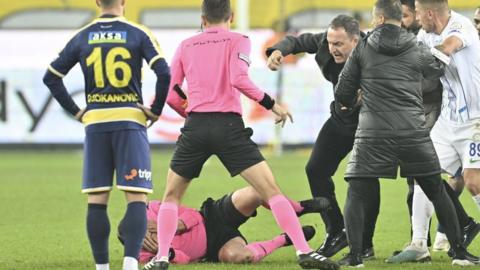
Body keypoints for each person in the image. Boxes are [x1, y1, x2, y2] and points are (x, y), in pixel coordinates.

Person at [150, 1, 340, 270]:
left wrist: (192, 115)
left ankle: (160, 258)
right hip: (228, 127)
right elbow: (239, 79)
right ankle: (303, 250)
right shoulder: (239, 40)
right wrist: (271, 104)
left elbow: (170, 94)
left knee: (171, 197)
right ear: (232, 16)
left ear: (203, 19)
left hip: (196, 126)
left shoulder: (186, 45)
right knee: (270, 191)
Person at [334, 0, 479, 267]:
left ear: (377, 19)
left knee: (356, 189)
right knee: (434, 186)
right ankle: (450, 251)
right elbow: (434, 71)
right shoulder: (416, 43)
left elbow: (343, 90)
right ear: (399, 19)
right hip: (416, 128)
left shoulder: (365, 46)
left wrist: (357, 99)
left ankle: (355, 256)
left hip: (375, 131)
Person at [42, 1, 171, 270]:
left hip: (96, 124)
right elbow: (164, 72)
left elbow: (51, 77)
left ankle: (102, 267)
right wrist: (156, 110)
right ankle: (130, 264)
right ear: (124, 2)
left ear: (97, 2)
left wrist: (78, 113)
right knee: (136, 196)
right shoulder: (138, 32)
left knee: (97, 199)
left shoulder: (82, 35)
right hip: (130, 121)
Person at [265, 15, 376, 260]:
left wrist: (367, 95)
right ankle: (336, 230)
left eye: (339, 44)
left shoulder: (374, 50)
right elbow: (296, 42)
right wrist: (277, 52)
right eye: (330, 42)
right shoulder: (325, 43)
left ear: (356, 41)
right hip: (341, 118)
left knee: (364, 180)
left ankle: (365, 244)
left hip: (371, 122)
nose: (332, 48)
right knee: (316, 169)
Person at [386, 0, 480, 263]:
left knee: (473, 182)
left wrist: (426, 59)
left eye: (416, 11)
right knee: (421, 171)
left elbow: (449, 46)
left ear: (429, 13)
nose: (415, 16)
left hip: (476, 121)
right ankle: (418, 244)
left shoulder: (461, 27)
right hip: (448, 120)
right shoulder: (424, 34)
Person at [118, 187, 329, 266]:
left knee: (254, 193)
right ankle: (284, 239)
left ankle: (297, 208)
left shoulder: (153, 208)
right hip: (215, 247)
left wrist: (179, 224)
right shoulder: (143, 255)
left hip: (212, 216)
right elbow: (186, 259)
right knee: (241, 257)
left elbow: (193, 215)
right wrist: (166, 253)